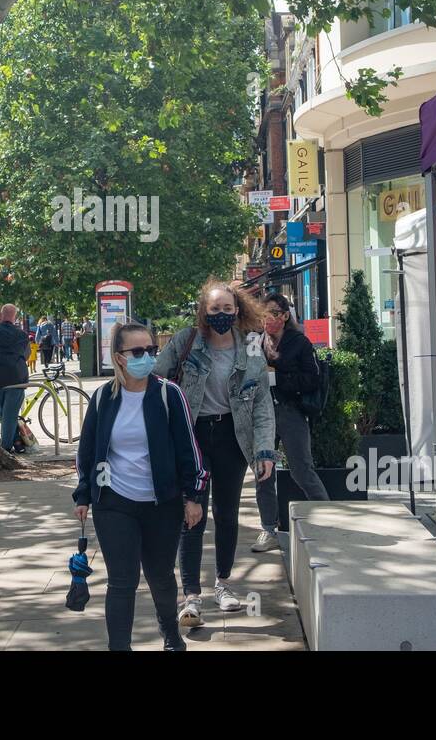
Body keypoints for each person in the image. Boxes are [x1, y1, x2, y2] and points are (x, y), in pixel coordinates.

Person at [74, 321, 207, 651]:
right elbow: (87, 450)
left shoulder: (167, 394)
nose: (146, 356)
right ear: (119, 357)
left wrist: (193, 497)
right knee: (122, 581)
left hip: (162, 503)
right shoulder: (104, 397)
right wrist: (83, 495)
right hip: (114, 502)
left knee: (161, 577)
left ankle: (171, 637)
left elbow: (187, 448)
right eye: (137, 351)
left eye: (150, 350)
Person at [152, 278, 275, 629]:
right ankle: (190, 595)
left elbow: (262, 402)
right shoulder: (186, 342)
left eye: (227, 308)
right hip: (192, 436)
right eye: (214, 308)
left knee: (227, 512)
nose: (221, 314)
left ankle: (223, 583)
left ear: (237, 310)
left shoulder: (251, 346)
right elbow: (156, 384)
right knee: (192, 512)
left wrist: (265, 449)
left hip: (233, 436)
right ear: (204, 311)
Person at [251, 293, 329, 554]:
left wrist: (279, 378)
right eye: (263, 314)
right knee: (263, 472)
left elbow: (312, 379)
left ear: (285, 316)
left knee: (301, 468)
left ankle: (328, 518)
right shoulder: (257, 342)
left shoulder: (299, 343)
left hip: (290, 412)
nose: (266, 319)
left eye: (272, 313)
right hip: (262, 414)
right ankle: (268, 529)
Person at [0, 304, 31, 454]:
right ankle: (6, 447)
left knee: (3, 415)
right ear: (15, 316)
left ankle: (13, 442)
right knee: (9, 416)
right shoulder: (22, 335)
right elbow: (26, 354)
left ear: (1, 314)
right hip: (16, 378)